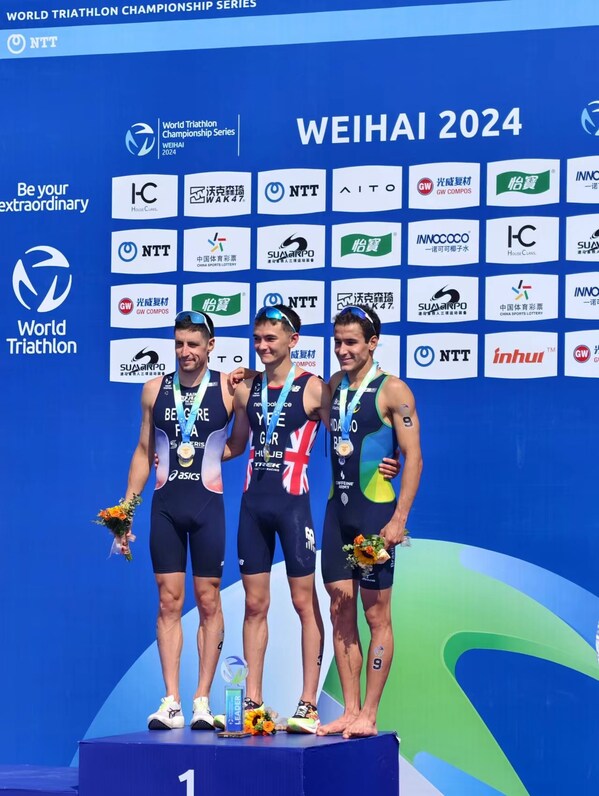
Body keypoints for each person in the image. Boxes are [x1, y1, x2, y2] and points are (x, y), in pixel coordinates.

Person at [216, 304, 399, 734]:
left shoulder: (318, 389)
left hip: (294, 507)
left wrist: (388, 460)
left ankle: (307, 702)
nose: (262, 347)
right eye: (257, 339)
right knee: (255, 604)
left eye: (271, 339)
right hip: (251, 507)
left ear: (292, 341)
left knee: (305, 603)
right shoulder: (245, 389)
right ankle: (254, 703)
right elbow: (235, 443)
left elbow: (364, 421)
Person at [124, 310, 235, 731]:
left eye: (193, 344)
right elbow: (141, 450)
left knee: (208, 601)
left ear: (210, 345)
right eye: (179, 344)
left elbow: (240, 443)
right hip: (166, 507)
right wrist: (126, 510)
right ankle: (171, 702)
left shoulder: (229, 387)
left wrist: (207, 456)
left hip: (208, 506)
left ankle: (202, 699)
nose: (185, 352)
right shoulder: (154, 389)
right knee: (168, 601)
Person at [317, 305, 423, 739]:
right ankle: (350, 708)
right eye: (337, 342)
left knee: (375, 615)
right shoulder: (333, 386)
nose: (342, 350)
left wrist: (399, 519)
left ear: (372, 343)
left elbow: (413, 456)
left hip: (374, 518)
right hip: (337, 516)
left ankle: (371, 713)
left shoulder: (393, 391)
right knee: (340, 611)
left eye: (351, 342)